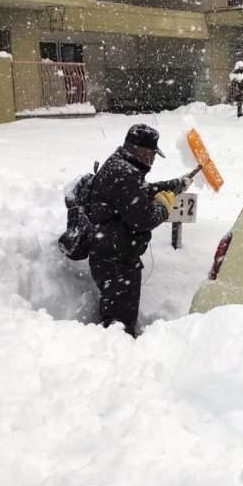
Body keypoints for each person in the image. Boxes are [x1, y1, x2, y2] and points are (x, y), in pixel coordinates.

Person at [87, 123, 192, 336]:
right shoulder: (125, 174)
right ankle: (118, 356)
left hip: (113, 255)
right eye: (152, 154)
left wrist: (176, 184)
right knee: (118, 325)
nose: (152, 160)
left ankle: (116, 347)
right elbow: (144, 218)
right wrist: (163, 206)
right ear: (140, 151)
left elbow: (142, 191)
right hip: (116, 261)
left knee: (117, 318)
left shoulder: (122, 167)